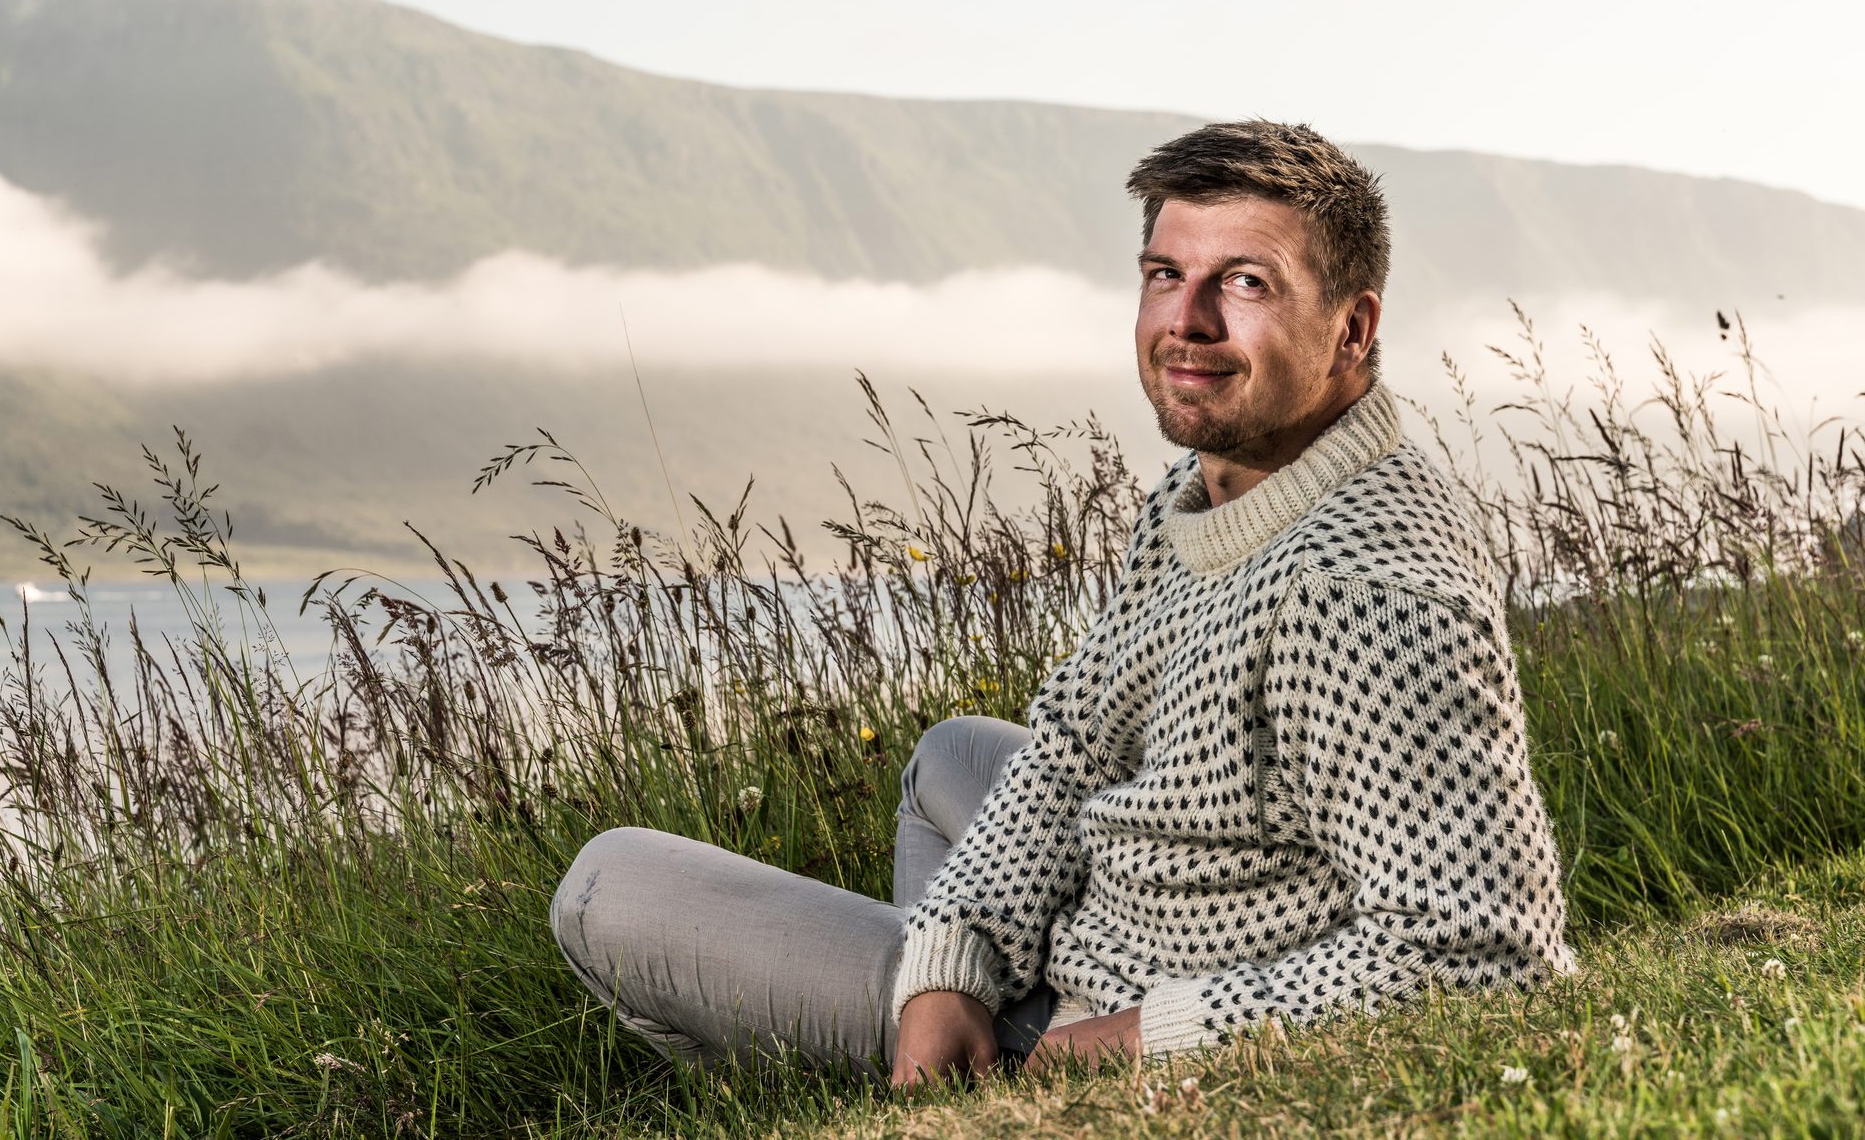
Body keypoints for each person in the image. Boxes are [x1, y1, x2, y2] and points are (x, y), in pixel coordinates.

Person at [549, 119, 1580, 1088]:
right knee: (953, 754)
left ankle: (972, 1082)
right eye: (1167, 275)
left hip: (1136, 1021)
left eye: (1247, 282)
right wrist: (949, 961)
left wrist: (1140, 1037)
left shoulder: (1364, 592)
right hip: (1146, 918)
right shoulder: (1212, 488)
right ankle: (943, 1029)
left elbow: (1484, 948)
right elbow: (1077, 742)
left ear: (1352, 327)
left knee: (604, 885)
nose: (1189, 320)